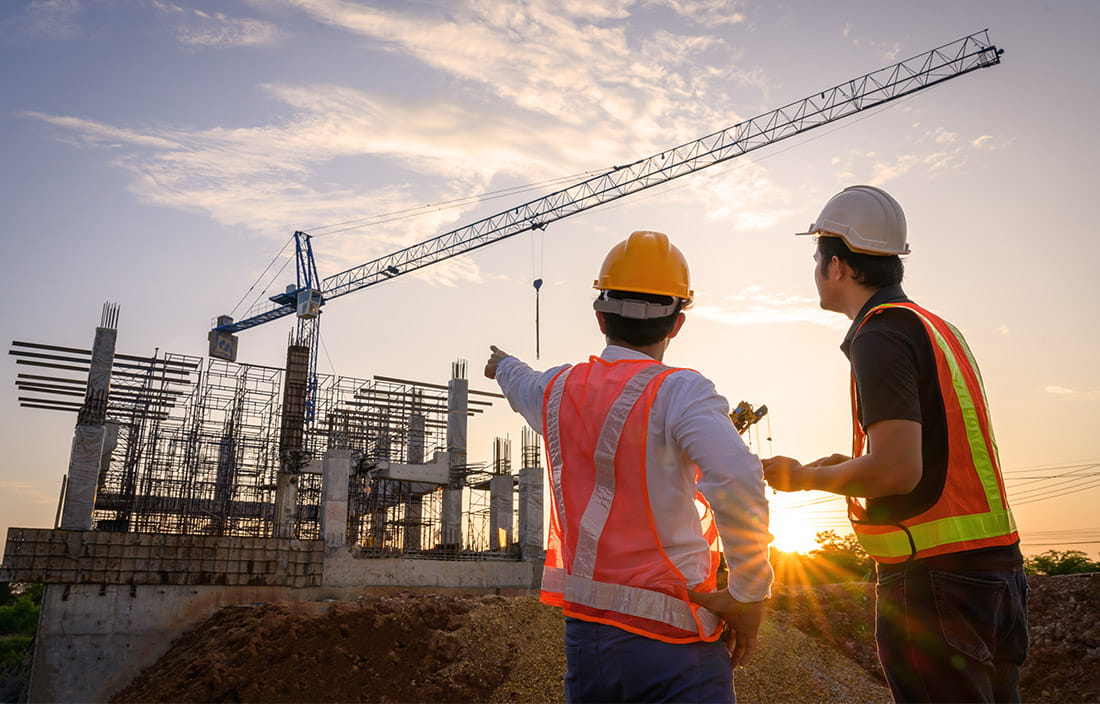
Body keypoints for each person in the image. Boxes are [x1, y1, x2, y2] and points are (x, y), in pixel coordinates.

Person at [762, 185, 1027, 703]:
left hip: (935, 582)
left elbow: (898, 471)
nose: (816, 271)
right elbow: (930, 458)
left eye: (818, 259)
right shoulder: (936, 328)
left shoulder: (878, 336)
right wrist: (850, 467)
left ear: (838, 267)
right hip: (995, 576)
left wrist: (804, 478)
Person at [484, 230, 773, 703]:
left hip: (588, 644)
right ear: (677, 324)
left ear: (600, 317)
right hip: (674, 644)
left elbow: (523, 383)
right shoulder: (681, 392)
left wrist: (502, 365)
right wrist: (748, 592)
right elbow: (739, 479)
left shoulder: (558, 391)